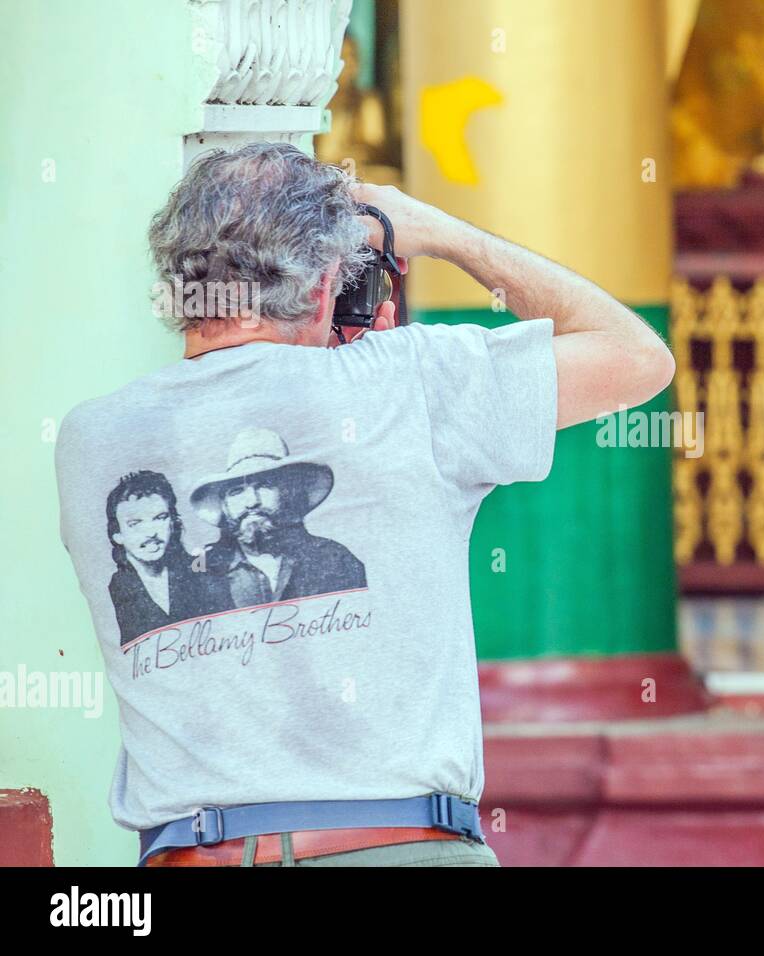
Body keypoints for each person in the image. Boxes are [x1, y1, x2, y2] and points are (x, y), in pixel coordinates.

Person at [54, 142, 674, 866]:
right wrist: (445, 234)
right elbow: (638, 358)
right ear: (324, 286)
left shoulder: (89, 441)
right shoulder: (407, 382)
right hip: (397, 843)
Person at [193, 427, 366, 608]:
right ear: (224, 505)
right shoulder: (204, 570)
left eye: (265, 486)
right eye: (236, 491)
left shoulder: (334, 559)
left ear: (288, 493)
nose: (251, 502)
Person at [106, 470, 229, 646]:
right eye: (135, 523)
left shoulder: (200, 572)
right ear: (117, 535)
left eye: (160, 518)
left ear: (173, 524)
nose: (150, 532)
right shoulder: (114, 590)